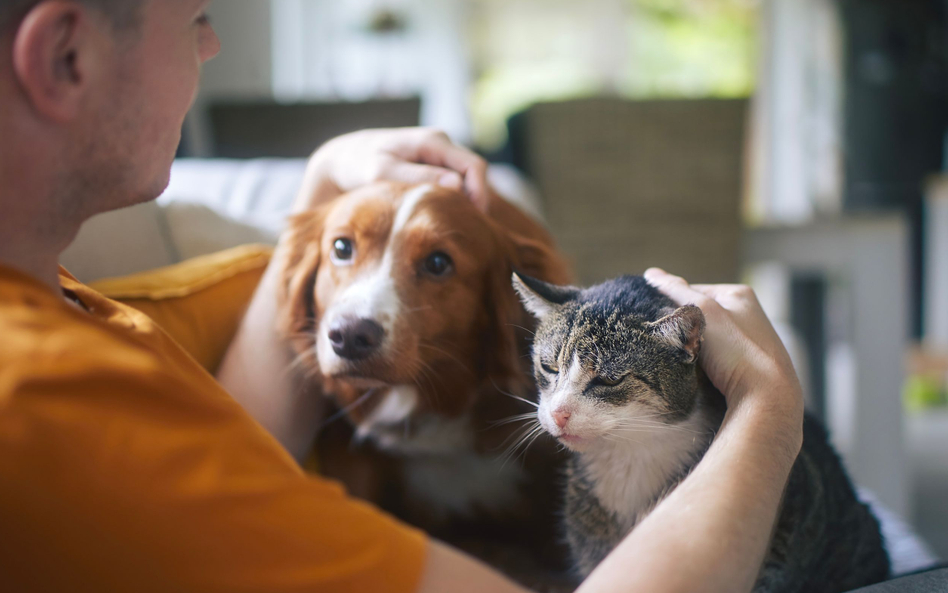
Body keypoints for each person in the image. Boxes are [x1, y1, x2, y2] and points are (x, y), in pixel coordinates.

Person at [0, 1, 805, 592]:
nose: (211, 41)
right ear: (66, 56)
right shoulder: (44, 401)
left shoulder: (51, 300)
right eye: (194, 18)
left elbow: (235, 453)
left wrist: (323, 187)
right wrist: (768, 410)